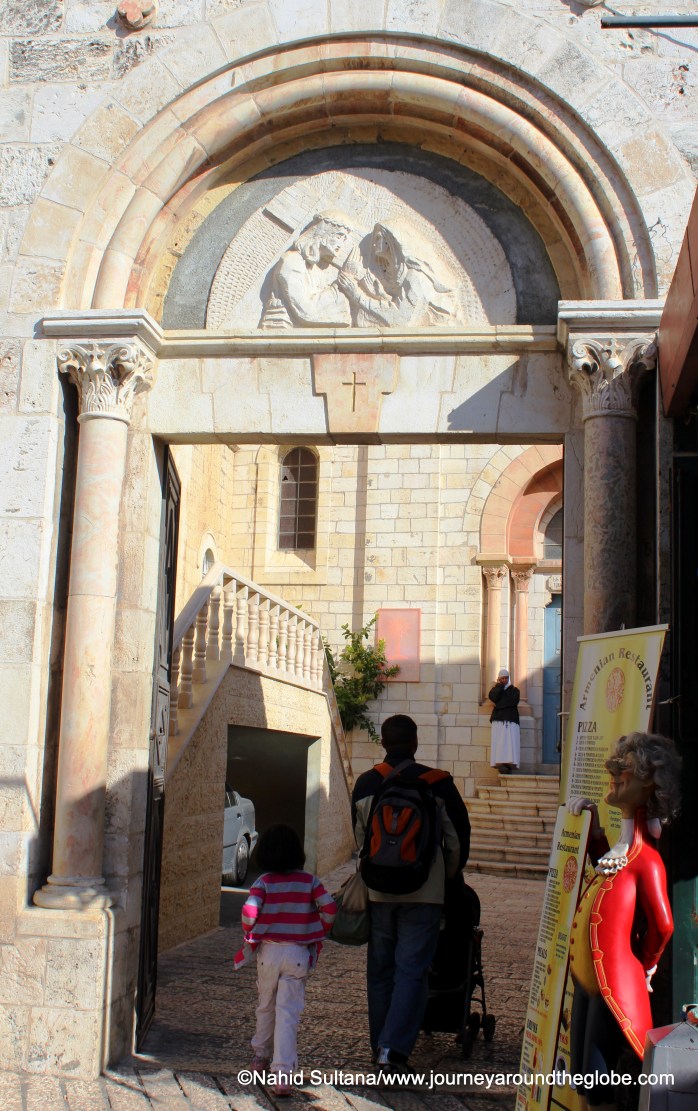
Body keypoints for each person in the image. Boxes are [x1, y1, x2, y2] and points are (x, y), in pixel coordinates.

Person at [567, 732, 682, 1111]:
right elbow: (606, 873)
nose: (616, 773)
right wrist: (594, 827)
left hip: (609, 984)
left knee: (599, 1083)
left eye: (628, 769)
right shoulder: (624, 849)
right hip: (587, 981)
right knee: (582, 1079)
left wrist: (646, 965)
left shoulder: (647, 859)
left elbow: (663, 925)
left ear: (650, 782)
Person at [351, 713, 471, 1070]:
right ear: (415, 743)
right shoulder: (438, 783)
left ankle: (380, 1044)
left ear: (384, 743)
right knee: (411, 969)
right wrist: (443, 878)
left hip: (379, 891)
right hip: (425, 893)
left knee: (380, 969)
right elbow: (457, 842)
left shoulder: (366, 784)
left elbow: (360, 841)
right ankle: (393, 1049)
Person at [233, 824, 337, 1096]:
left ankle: (259, 1058)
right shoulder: (309, 881)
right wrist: (319, 929)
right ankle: (283, 1075)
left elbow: (249, 910)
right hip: (298, 954)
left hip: (269, 953)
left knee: (265, 1005)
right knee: (288, 1012)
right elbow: (329, 908)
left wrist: (250, 932)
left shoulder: (263, 882)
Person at [337, 218, 460, 326]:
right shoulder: (397, 275)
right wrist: (381, 296)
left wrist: (357, 295)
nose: (374, 243)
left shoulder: (416, 277)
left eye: (378, 238)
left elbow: (401, 319)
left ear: (389, 241)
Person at [260, 211, 354, 328]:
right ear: (323, 233)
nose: (341, 244)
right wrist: (338, 289)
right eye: (338, 236)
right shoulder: (292, 260)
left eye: (344, 239)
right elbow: (306, 311)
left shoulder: (315, 269)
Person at [488, 667, 520, 773]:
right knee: (500, 743)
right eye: (502, 679)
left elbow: (512, 701)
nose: (504, 680)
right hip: (498, 720)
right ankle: (500, 763)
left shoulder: (515, 690)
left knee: (509, 743)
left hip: (510, 720)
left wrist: (498, 705)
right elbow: (493, 697)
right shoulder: (496, 689)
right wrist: (499, 687)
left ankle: (508, 763)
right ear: (498, 679)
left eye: (506, 678)